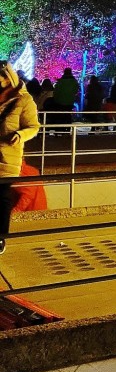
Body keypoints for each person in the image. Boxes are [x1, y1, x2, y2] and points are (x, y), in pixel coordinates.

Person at [0, 60, 40, 255]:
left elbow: (33, 127)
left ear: (9, 77)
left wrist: (20, 135)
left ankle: (1, 237)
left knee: (2, 196)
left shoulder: (24, 100)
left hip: (8, 156)